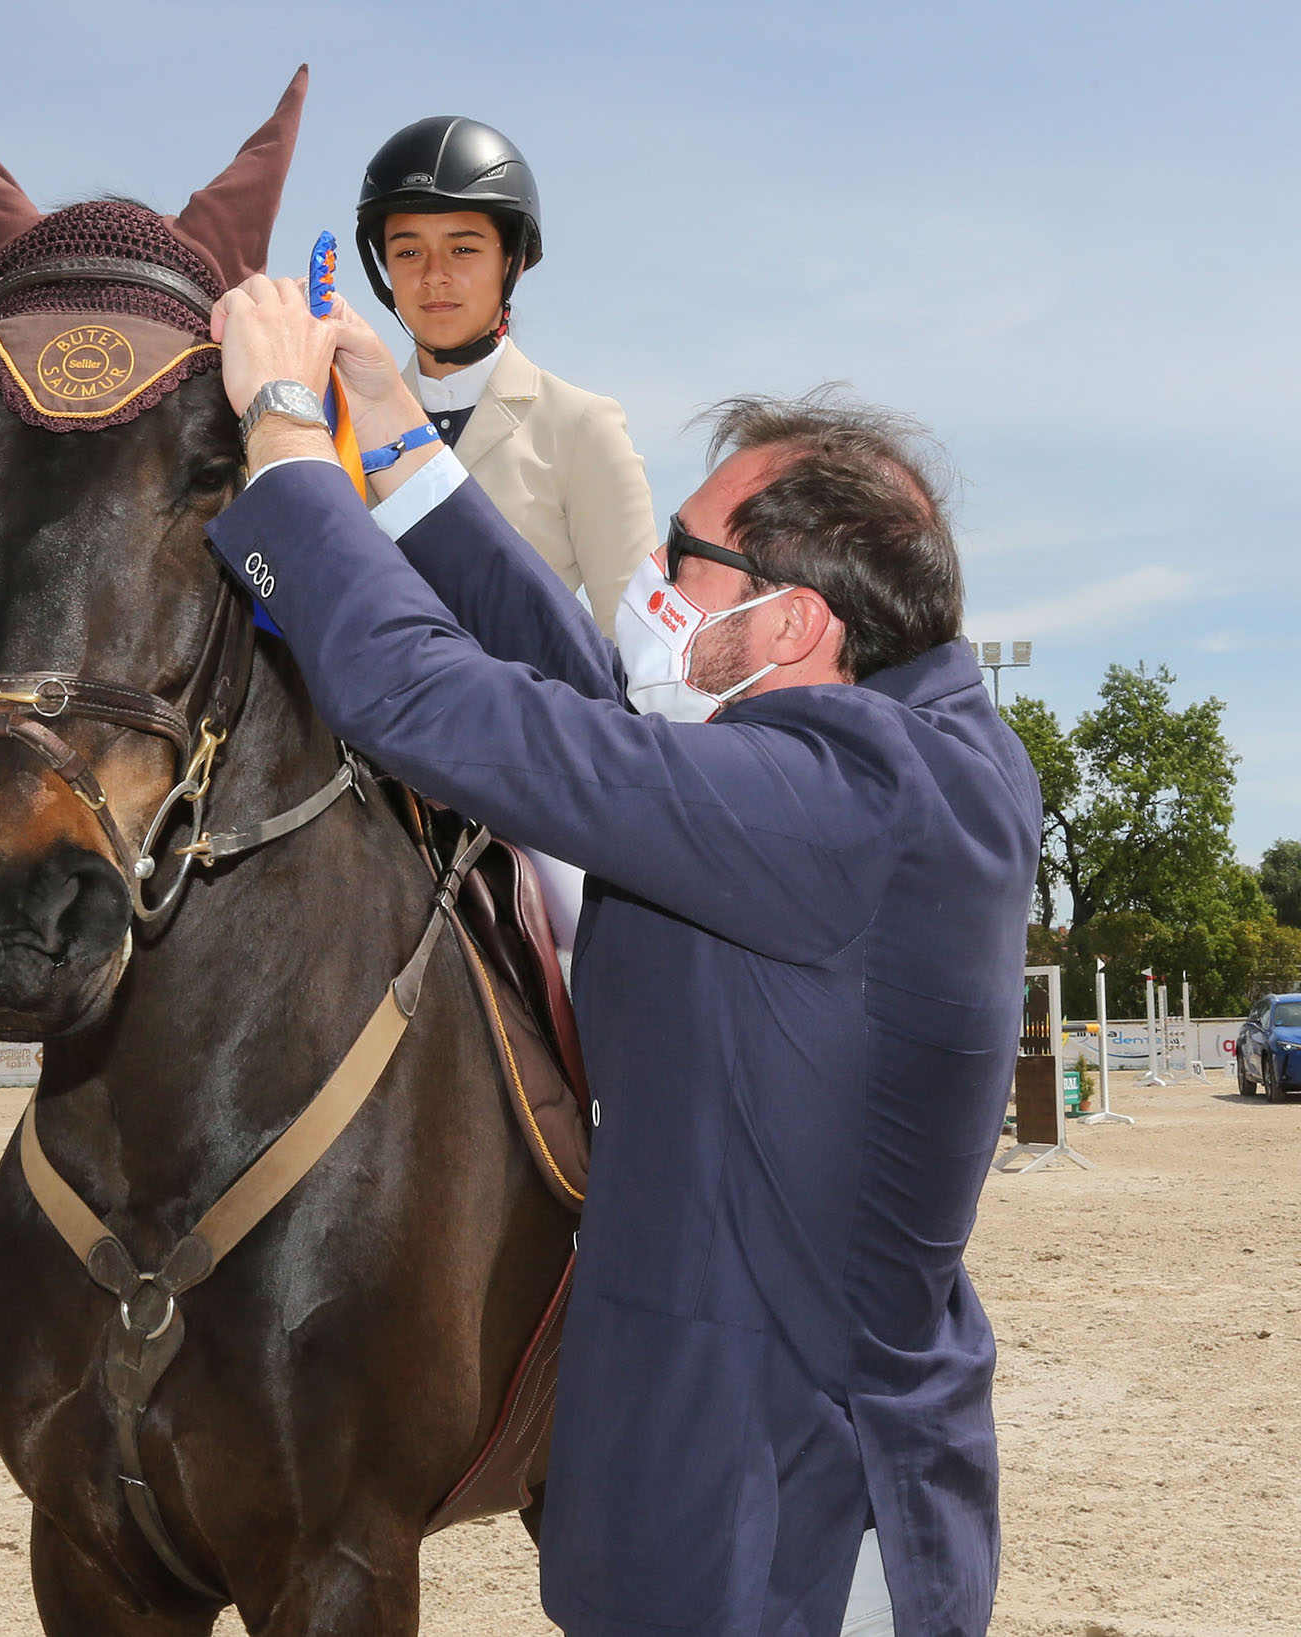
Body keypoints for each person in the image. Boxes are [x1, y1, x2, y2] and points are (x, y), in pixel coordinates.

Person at [204, 277, 1040, 1636]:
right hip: (741, 1492)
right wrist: (402, 439)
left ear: (792, 623)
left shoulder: (853, 798)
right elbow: (599, 710)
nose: (650, 586)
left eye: (688, 559)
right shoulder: (907, 757)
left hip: (781, 1528)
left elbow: (438, 701)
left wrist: (291, 434)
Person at [357, 115, 660, 950]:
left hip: (522, 781)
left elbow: (630, 640)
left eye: (463, 247)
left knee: (588, 949)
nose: (434, 276)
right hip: (358, 775)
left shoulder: (579, 424)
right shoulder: (335, 428)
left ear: (511, 261)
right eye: (408, 249)